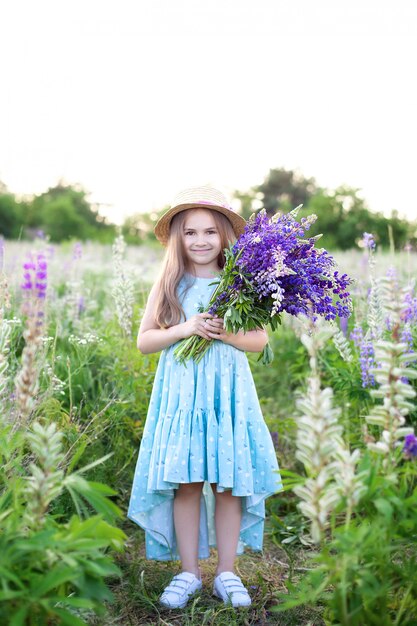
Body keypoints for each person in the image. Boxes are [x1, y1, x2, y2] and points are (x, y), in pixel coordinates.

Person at [127, 186, 283, 609]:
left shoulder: (241, 282)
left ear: (224, 236)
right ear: (178, 238)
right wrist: (185, 328)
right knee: (187, 480)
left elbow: (257, 340)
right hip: (182, 396)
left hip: (227, 395)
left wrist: (223, 332)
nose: (200, 241)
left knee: (229, 481)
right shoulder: (170, 283)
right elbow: (145, 341)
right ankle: (188, 572)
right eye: (191, 232)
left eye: (210, 232)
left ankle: (227, 572)